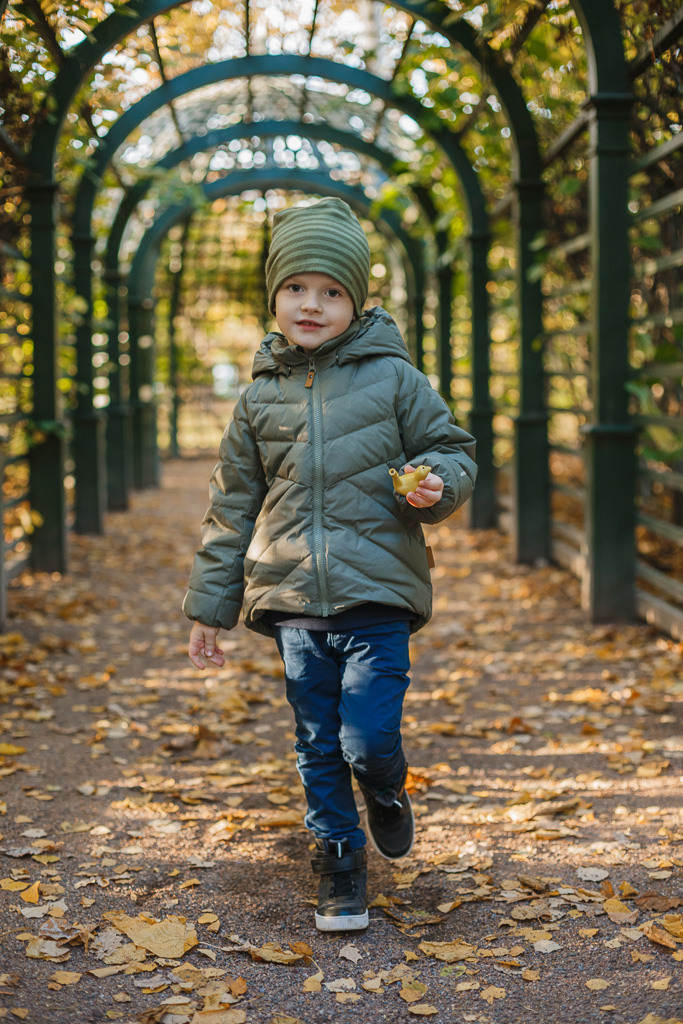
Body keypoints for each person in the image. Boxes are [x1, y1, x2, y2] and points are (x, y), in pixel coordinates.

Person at [184, 197, 477, 932]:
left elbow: (452, 448)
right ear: (274, 295)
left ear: (356, 300)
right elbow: (231, 506)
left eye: (331, 291)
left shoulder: (394, 380)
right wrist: (209, 610)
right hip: (292, 601)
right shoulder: (256, 400)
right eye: (295, 288)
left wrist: (438, 483)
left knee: (364, 737)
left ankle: (383, 782)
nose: (310, 304)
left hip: (377, 589)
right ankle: (338, 863)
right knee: (315, 740)